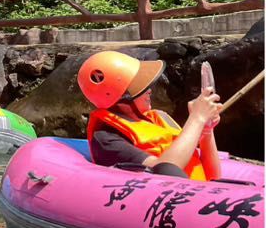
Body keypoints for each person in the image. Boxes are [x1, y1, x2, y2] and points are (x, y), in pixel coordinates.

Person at [80, 50, 221, 180]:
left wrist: (206, 130)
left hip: (201, 196)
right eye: (141, 86)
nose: (149, 91)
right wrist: (197, 118)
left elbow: (213, 177)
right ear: (121, 96)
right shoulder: (107, 139)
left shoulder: (160, 118)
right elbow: (165, 172)